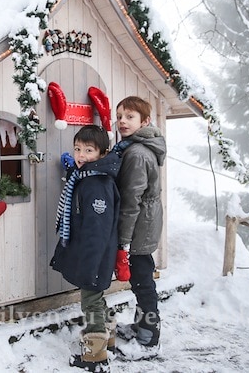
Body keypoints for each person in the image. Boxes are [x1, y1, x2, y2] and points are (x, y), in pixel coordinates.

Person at [50, 125, 121, 372]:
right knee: (96, 298)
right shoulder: (86, 177)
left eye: (88, 150)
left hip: (95, 255)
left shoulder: (97, 185)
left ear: (102, 154)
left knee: (90, 302)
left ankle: (95, 356)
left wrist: (90, 263)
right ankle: (107, 337)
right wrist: (71, 168)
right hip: (94, 255)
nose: (81, 155)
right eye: (78, 149)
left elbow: (97, 230)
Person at [112, 95, 166, 352]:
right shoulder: (137, 147)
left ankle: (149, 339)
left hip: (139, 227)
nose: (122, 121)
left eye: (129, 117)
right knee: (142, 279)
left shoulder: (136, 153)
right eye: (120, 116)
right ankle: (141, 327)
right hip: (146, 222)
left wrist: (123, 241)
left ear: (145, 121)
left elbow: (130, 202)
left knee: (143, 282)